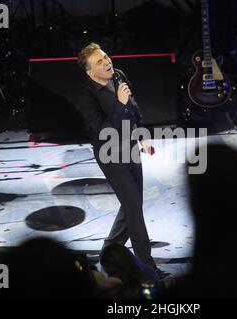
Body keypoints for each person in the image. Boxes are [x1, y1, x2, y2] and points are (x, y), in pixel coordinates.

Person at [75, 43, 167, 279]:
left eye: (105, 57)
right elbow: (104, 130)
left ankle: (108, 251)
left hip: (131, 148)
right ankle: (148, 269)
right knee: (134, 209)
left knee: (131, 206)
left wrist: (143, 137)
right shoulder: (86, 97)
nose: (107, 62)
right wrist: (119, 103)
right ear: (90, 72)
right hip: (110, 154)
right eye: (99, 62)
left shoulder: (119, 75)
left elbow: (134, 109)